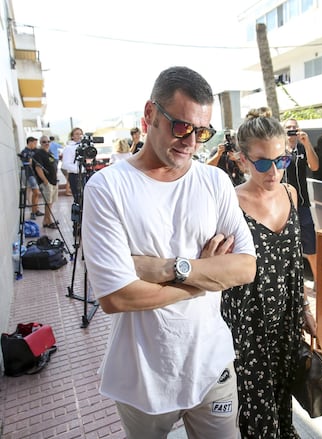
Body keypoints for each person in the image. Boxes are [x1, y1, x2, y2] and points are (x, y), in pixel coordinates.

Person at [82, 66, 257, 439]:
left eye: (203, 131)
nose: (192, 141)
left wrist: (166, 268)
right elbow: (116, 297)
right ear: (150, 115)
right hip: (142, 375)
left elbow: (245, 267)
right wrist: (206, 277)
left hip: (211, 365)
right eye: (182, 126)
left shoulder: (214, 182)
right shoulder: (107, 188)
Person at [221, 111, 317, 438]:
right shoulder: (229, 203)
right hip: (247, 324)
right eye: (262, 163)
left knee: (282, 395)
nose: (273, 171)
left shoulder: (290, 193)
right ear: (242, 159)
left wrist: (304, 308)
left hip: (286, 318)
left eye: (282, 160)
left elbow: (294, 259)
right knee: (255, 406)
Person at [283, 118, 322, 297]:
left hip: (303, 204)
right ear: (282, 131)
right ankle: (290, 284)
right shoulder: (278, 149)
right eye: (288, 127)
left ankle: (319, 283)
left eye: (294, 127)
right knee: (288, 244)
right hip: (283, 205)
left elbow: (315, 166)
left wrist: (306, 144)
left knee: (311, 245)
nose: (292, 130)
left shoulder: (302, 148)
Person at [32, 135, 59, 229]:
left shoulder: (49, 152)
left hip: (53, 182)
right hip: (47, 183)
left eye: (48, 141)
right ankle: (49, 221)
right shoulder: (38, 154)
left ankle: (46, 220)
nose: (46, 143)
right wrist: (46, 182)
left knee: (50, 203)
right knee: (48, 203)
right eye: (44, 142)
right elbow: (38, 168)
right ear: (40, 143)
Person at [19, 136, 44, 220]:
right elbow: (26, 163)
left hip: (35, 174)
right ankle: (33, 212)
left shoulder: (34, 151)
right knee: (35, 192)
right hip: (30, 174)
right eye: (34, 143)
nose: (35, 145)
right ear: (30, 142)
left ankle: (36, 210)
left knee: (37, 193)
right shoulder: (25, 152)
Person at [61, 127, 84, 203]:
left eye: (80, 134)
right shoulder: (69, 148)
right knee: (78, 200)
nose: (79, 136)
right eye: (77, 134)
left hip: (85, 175)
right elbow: (65, 164)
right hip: (75, 176)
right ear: (72, 136)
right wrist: (79, 169)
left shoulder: (84, 146)